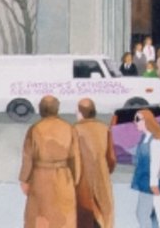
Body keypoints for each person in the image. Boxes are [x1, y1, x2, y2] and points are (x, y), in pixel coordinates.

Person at [19, 94, 81, 228]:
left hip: (40, 177)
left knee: (39, 217)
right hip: (64, 178)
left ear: (41, 109)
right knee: (64, 217)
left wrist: (24, 179)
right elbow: (75, 157)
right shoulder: (68, 128)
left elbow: (27, 157)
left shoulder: (35, 129)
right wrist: (75, 180)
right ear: (57, 109)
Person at [74, 96, 117, 228]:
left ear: (80, 113)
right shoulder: (104, 129)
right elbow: (111, 159)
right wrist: (103, 170)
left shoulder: (73, 130)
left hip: (81, 179)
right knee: (103, 215)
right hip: (101, 178)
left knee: (82, 216)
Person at [131, 107, 160, 228]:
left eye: (138, 119)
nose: (135, 122)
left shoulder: (155, 141)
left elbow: (156, 164)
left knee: (142, 214)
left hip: (150, 184)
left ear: (147, 121)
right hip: (144, 182)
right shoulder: (144, 138)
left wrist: (154, 184)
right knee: (151, 215)